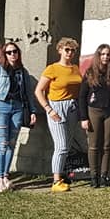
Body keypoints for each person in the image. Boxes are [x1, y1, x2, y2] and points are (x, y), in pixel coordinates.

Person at [0, 42, 37, 192]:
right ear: (4, 55)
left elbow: (29, 93)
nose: (12, 54)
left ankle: (6, 176)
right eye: (9, 52)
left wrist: (33, 111)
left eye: (15, 51)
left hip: (18, 109)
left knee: (11, 144)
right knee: (1, 144)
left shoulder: (23, 71)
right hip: (2, 107)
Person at [36, 37, 83, 192]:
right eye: (67, 49)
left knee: (67, 145)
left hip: (72, 107)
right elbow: (39, 90)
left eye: (72, 50)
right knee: (61, 146)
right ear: (60, 50)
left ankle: (62, 174)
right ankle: (56, 181)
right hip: (56, 106)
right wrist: (48, 109)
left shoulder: (75, 68)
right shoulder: (52, 68)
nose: (70, 53)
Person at [79, 44, 110, 188]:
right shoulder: (90, 73)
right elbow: (82, 96)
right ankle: (93, 176)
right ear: (98, 56)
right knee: (94, 145)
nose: (105, 57)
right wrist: (83, 118)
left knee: (107, 145)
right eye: (102, 54)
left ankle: (103, 176)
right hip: (93, 111)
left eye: (108, 54)